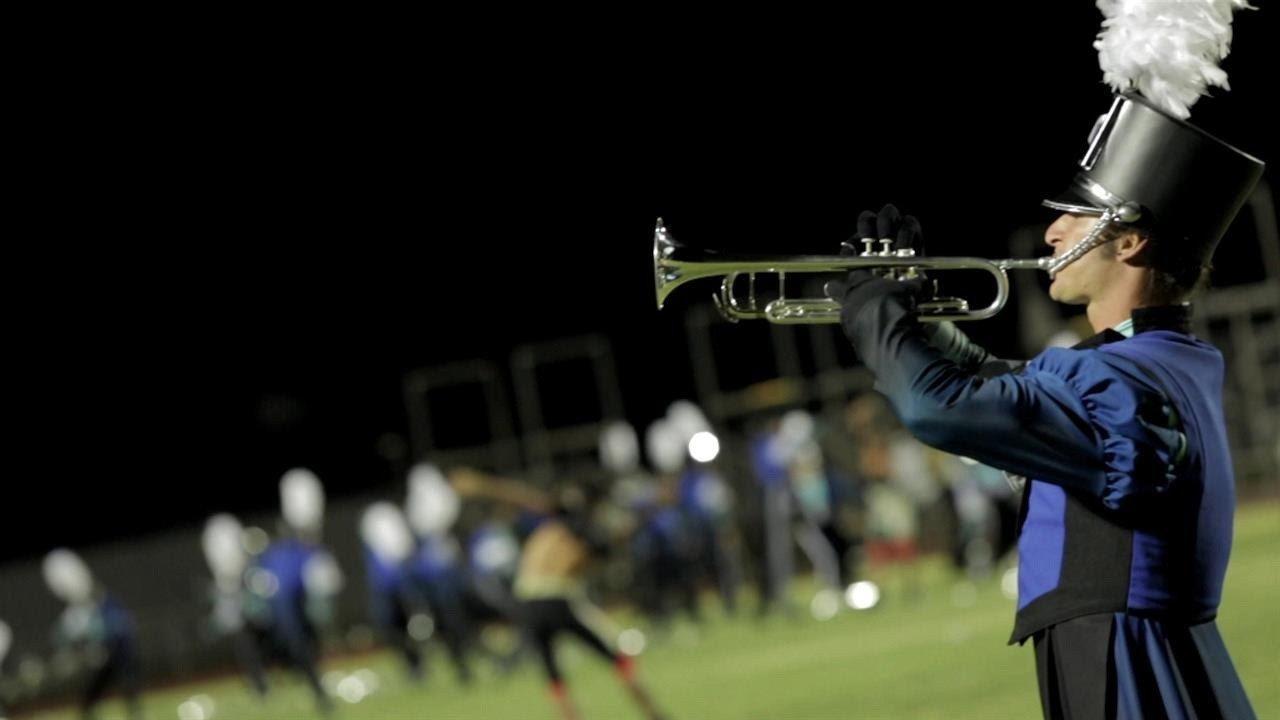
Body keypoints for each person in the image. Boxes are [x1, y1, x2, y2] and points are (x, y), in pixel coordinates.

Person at [824, 87, 1263, 717]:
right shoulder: (1159, 360)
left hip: (1123, 662)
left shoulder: (1125, 382)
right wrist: (914, 321)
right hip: (1131, 649)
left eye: (1076, 216)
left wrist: (873, 316)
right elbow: (1011, 391)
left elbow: (936, 409)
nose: (1054, 231)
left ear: (1130, 241)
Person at [449, 467, 667, 720]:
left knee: (553, 677)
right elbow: (592, 559)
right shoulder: (585, 528)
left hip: (526, 599)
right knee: (619, 657)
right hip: (556, 596)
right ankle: (654, 715)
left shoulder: (552, 518)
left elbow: (518, 496)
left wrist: (481, 484)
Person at [42, 549, 142, 720]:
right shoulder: (82, 610)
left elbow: (120, 629)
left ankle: (135, 713)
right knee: (92, 699)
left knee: (128, 689)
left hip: (121, 655)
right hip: (111, 657)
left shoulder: (103, 604)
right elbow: (61, 636)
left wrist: (98, 643)